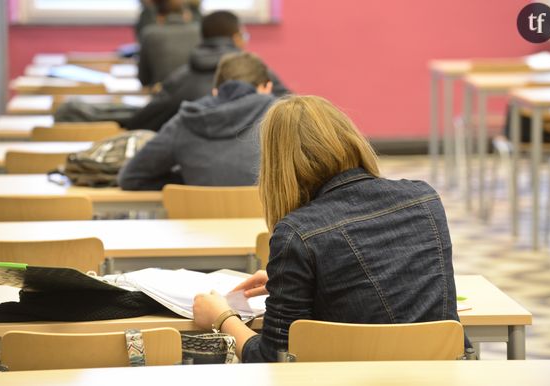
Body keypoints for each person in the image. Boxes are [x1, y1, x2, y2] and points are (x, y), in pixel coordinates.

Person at [192, 96, 462, 362]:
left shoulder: (296, 233)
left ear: (277, 167)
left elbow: (273, 359)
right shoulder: (425, 199)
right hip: (441, 374)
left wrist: (222, 318)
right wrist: (291, 282)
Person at [118, 52, 276, 190]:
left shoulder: (186, 120)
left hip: (197, 221)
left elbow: (130, 177)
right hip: (267, 222)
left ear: (215, 91)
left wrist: (186, 182)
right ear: (267, 87)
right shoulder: (281, 116)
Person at [121, 10, 290, 132]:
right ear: (236, 38)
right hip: (254, 173)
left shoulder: (179, 78)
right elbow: (294, 110)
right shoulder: (259, 73)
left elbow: (143, 120)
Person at [137, 0, 200, 86]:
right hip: (194, 92)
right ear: (186, 15)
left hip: (160, 92)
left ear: (159, 17)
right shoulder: (198, 31)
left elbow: (144, 79)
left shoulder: (150, 34)